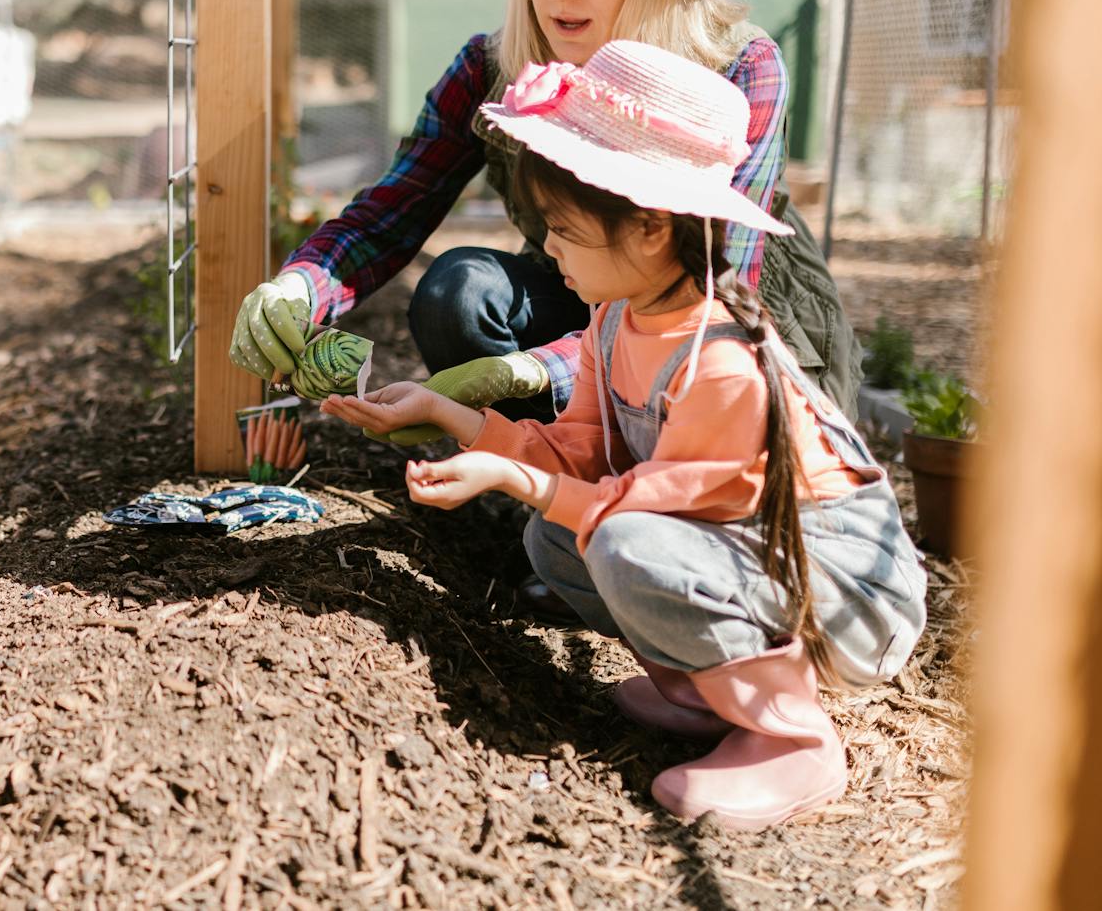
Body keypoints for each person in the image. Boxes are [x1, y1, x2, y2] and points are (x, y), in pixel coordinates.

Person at [323, 41, 925, 830]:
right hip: (753, 560)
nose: (549, 251)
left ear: (647, 228)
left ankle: (795, 739)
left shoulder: (724, 366)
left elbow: (636, 506)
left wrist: (512, 478)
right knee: (557, 542)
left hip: (845, 591)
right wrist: (446, 414)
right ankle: (705, 691)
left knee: (621, 543)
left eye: (564, 230)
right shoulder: (617, 321)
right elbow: (580, 457)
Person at [230, 0, 859, 433]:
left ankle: (587, 479)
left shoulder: (743, 67)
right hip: (578, 292)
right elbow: (390, 214)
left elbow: (714, 290)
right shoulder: (490, 67)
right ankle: (521, 482)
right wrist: (300, 288)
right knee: (459, 288)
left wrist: (533, 371)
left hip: (719, 335)